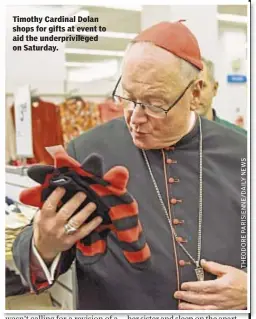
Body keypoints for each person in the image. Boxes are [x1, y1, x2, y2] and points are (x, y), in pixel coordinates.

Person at [13, 21, 247, 310]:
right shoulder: (87, 152)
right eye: (127, 97)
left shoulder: (244, 151)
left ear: (196, 94)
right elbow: (33, 252)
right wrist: (45, 244)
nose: (134, 118)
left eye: (153, 104)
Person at [196, 57, 247, 135]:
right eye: (189, 86)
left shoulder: (240, 139)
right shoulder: (172, 139)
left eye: (202, 86)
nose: (194, 94)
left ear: (214, 88)